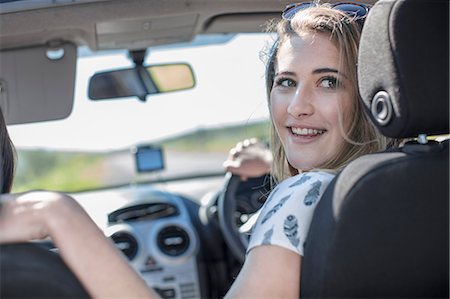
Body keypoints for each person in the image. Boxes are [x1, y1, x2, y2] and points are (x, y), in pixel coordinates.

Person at [0, 2, 398, 298]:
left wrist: (57, 214)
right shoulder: (418, 181)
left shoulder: (302, 195)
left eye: (328, 82)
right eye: (286, 82)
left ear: (367, 93)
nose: (297, 107)